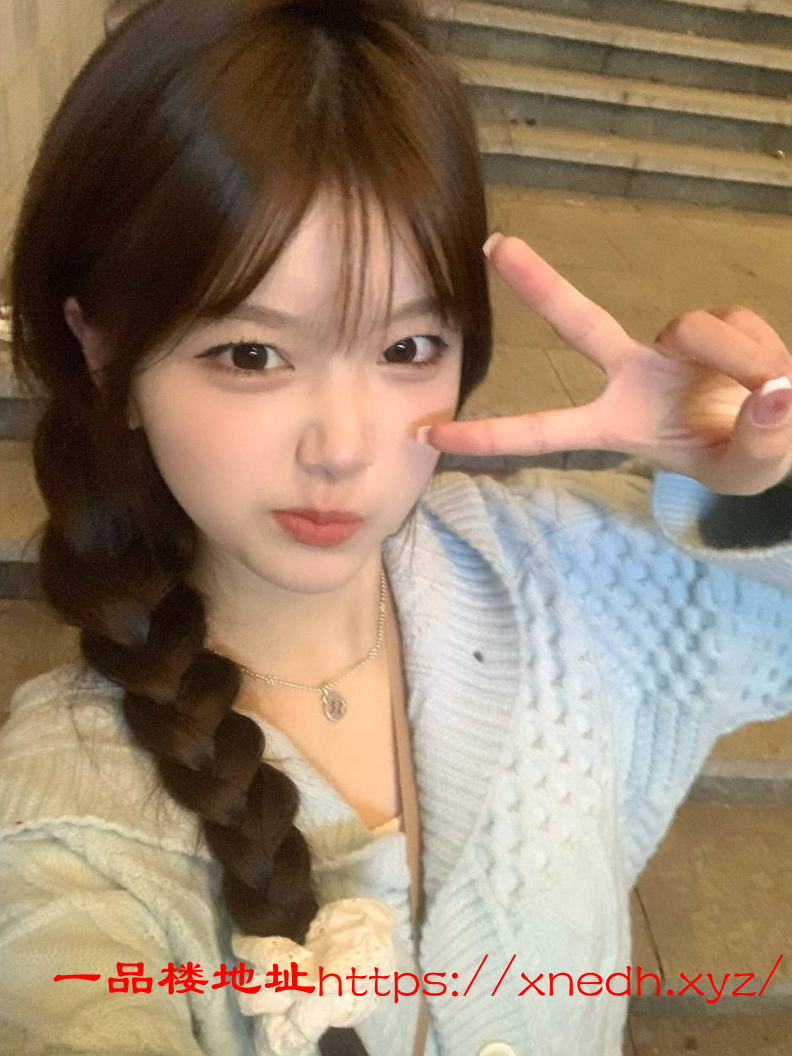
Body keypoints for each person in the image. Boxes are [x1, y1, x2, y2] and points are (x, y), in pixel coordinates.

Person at [1, 0, 792, 1054]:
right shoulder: (71, 833)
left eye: (408, 347)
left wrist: (766, 482)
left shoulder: (552, 579)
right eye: (251, 354)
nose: (343, 448)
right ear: (104, 353)